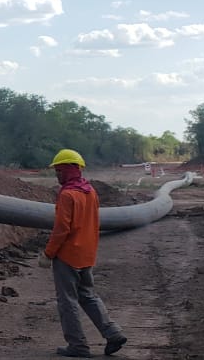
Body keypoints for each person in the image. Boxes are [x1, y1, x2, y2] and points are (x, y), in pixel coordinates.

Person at [41, 148, 128, 358]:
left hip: (67, 256)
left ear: (69, 170)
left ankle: (77, 345)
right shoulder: (90, 192)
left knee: (67, 301)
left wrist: (48, 253)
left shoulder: (67, 195)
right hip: (87, 254)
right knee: (88, 295)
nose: (57, 175)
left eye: (59, 171)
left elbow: (62, 229)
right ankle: (113, 332)